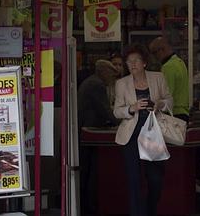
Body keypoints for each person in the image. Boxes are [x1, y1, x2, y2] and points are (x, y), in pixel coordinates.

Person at [113, 44, 173, 216]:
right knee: (134, 180)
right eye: (128, 61)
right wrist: (131, 108)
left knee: (155, 179)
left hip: (153, 134)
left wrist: (159, 104)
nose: (132, 64)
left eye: (136, 60)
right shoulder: (121, 84)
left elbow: (170, 100)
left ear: (144, 63)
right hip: (131, 135)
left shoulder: (158, 78)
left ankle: (150, 210)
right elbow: (117, 111)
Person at [78, 59, 120, 215]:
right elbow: (104, 110)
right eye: (112, 74)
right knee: (90, 171)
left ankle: (86, 204)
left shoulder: (91, 82)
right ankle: (89, 206)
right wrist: (120, 122)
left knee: (87, 170)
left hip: (85, 129)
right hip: (89, 131)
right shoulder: (97, 85)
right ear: (104, 72)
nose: (113, 78)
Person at [149, 36, 190, 122]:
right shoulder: (180, 62)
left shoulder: (168, 67)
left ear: (162, 50)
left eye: (154, 53)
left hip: (173, 114)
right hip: (183, 112)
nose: (154, 57)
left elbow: (166, 95)